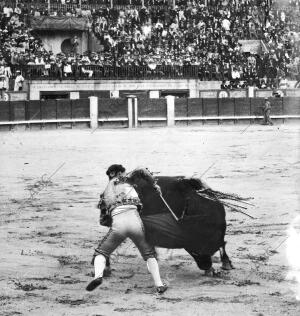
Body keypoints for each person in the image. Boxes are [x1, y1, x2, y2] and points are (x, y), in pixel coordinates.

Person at [86, 164, 167, 294]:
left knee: (100, 253)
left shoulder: (104, 194)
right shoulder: (128, 180)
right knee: (149, 255)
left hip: (118, 224)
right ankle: (159, 285)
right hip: (135, 222)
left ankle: (98, 276)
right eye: (122, 172)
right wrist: (154, 185)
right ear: (118, 173)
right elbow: (142, 170)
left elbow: (103, 220)